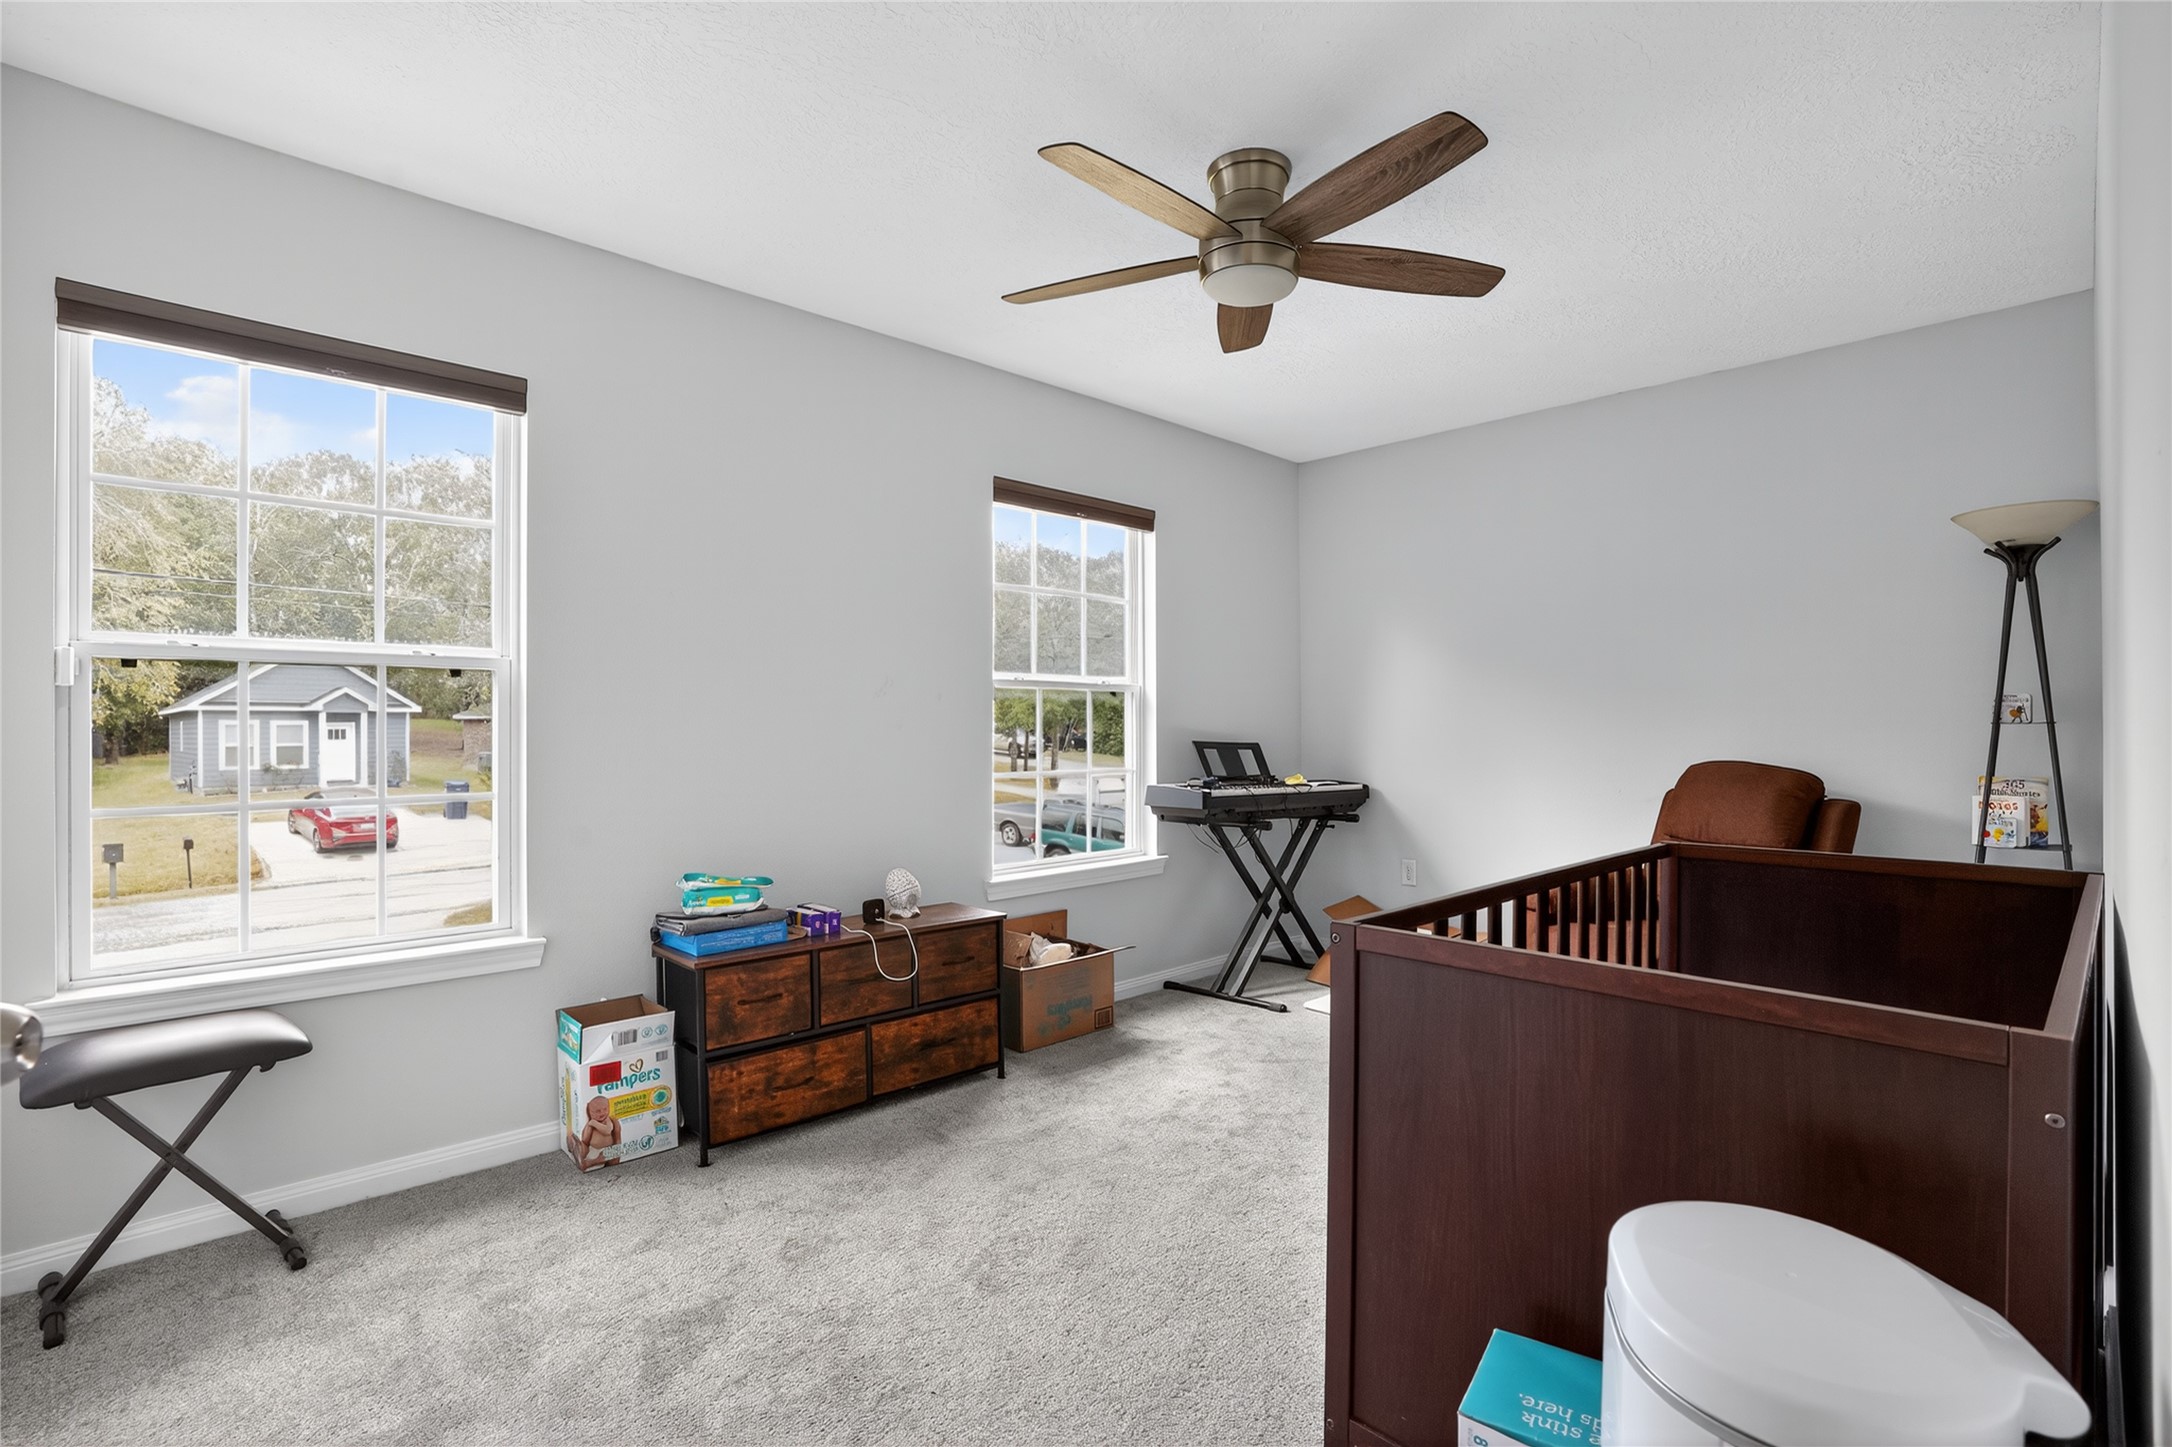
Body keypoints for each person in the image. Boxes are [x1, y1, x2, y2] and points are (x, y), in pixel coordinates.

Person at [571, 1094, 620, 1171]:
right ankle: (577, 1152)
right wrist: (589, 1125)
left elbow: (608, 1130)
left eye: (605, 1109)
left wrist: (594, 1123)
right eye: (597, 1111)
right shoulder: (591, 1123)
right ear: (590, 1113)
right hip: (592, 1149)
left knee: (608, 1154)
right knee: (581, 1147)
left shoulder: (608, 1120)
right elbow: (585, 1140)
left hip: (605, 1150)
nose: (602, 1113)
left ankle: (589, 1163)